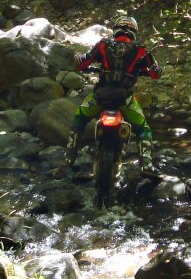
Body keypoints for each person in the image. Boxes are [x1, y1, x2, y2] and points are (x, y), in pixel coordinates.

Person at [66, 15, 162, 174]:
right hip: (125, 100)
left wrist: (80, 63)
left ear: (115, 29)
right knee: (144, 130)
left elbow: (83, 62)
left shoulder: (103, 45)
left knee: (79, 118)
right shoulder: (142, 50)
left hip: (99, 97)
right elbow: (156, 74)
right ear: (134, 31)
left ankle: (69, 156)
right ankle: (147, 165)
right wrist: (145, 70)